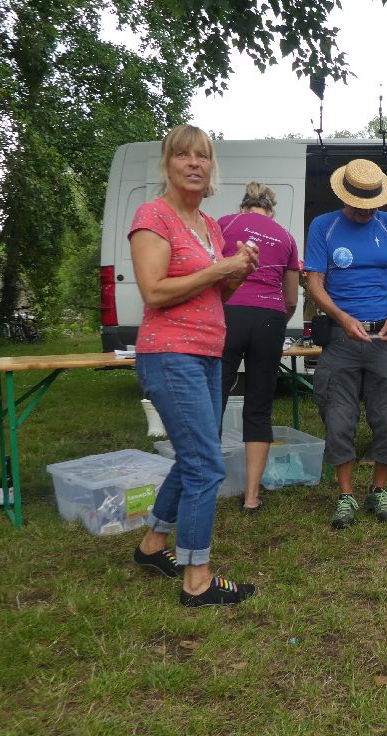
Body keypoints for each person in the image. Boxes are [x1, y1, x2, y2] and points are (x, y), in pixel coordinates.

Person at [129, 124, 259, 607]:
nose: (194, 163)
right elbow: (154, 291)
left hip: (207, 353)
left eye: (202, 156)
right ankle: (197, 579)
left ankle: (152, 545)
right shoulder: (153, 216)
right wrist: (222, 267)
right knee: (206, 465)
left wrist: (237, 272)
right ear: (167, 164)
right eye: (183, 155)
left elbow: (215, 293)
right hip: (169, 354)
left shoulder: (210, 226)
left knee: (193, 458)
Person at [305, 158, 387, 529]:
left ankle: (379, 490)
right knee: (338, 419)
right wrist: (341, 317)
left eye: (372, 205)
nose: (366, 211)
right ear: (345, 196)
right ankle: (346, 495)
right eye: (359, 205)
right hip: (341, 339)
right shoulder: (324, 226)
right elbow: (314, 283)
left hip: (383, 338)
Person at [218, 182, 301, 512]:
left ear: (243, 206)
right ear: (271, 211)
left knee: (213, 397)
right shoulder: (286, 237)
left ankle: (204, 486)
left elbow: (210, 271)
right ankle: (251, 496)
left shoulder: (224, 224)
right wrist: (277, 318)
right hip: (270, 317)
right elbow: (291, 298)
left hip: (228, 312)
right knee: (259, 405)